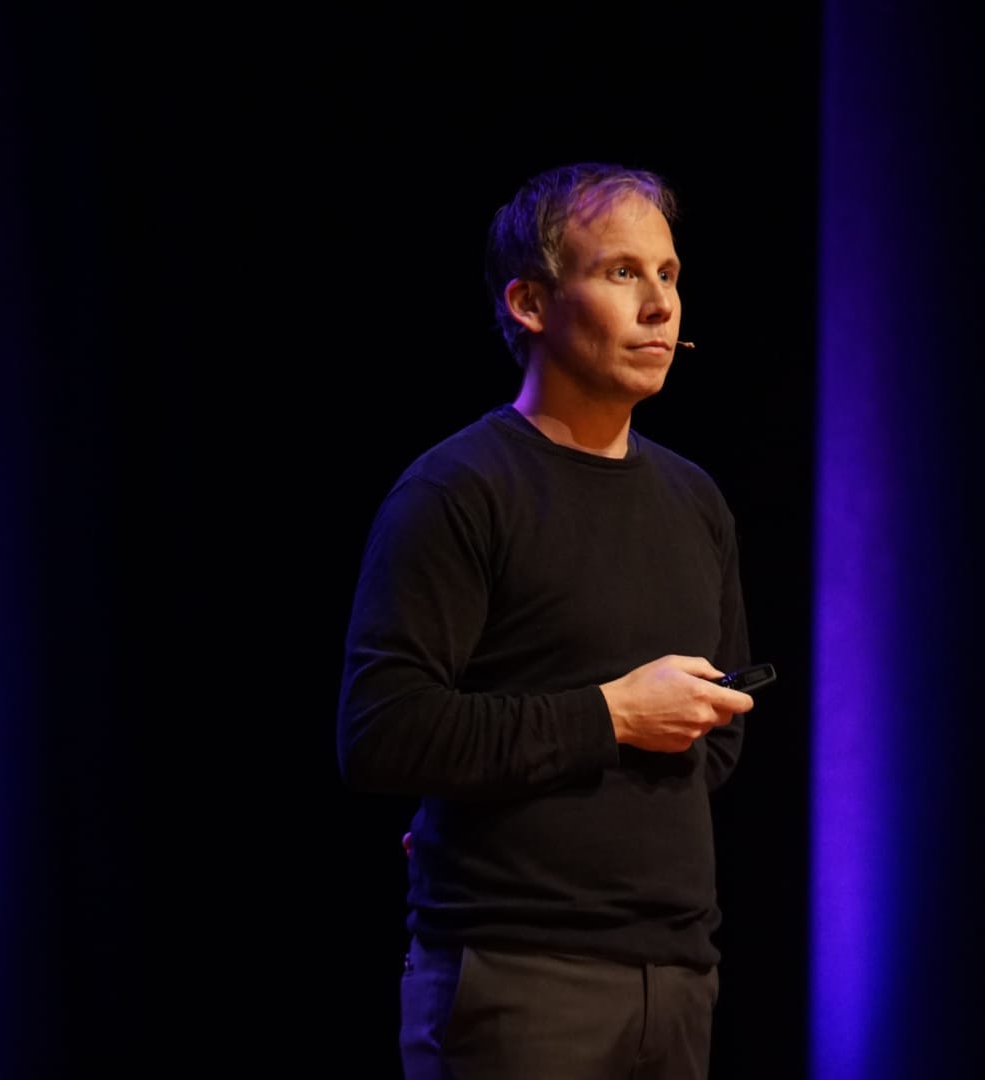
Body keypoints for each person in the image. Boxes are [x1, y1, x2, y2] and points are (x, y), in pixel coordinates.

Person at [336, 161, 759, 1080]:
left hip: (678, 977)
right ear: (530, 303)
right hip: (518, 978)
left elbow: (714, 741)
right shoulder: (460, 491)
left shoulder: (695, 500)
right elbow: (381, 729)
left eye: (670, 275)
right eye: (621, 273)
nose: (660, 306)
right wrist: (607, 715)